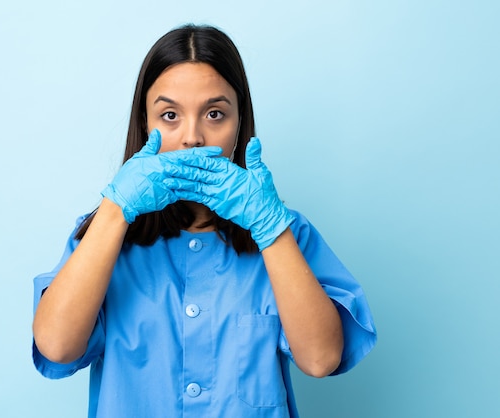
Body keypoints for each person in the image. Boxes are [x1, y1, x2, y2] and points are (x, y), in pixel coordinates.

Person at [32, 24, 376, 418]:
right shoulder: (105, 235)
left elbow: (321, 359)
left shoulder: (286, 233)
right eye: (169, 115)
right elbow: (56, 347)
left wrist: (270, 228)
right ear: (145, 124)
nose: (192, 137)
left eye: (215, 114)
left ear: (239, 122)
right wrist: (115, 208)